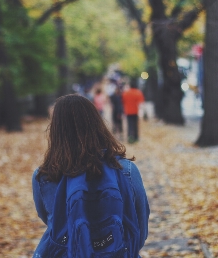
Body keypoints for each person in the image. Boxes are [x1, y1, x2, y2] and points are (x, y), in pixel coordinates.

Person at [32, 94, 149, 257]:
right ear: (98, 124)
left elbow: (52, 222)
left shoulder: (44, 176)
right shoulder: (126, 170)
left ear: (56, 130)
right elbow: (139, 228)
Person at [122, 79, 145, 143]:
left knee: (129, 125)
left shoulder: (126, 93)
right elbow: (141, 104)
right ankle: (136, 137)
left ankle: (130, 137)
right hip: (135, 111)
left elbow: (123, 101)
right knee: (135, 125)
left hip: (128, 111)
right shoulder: (138, 93)